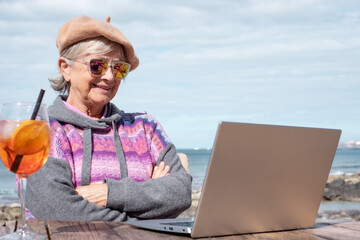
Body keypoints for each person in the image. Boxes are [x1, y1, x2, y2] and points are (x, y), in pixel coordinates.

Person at [26, 15, 192, 221]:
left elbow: (181, 193)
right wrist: (144, 212)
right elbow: (56, 209)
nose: (110, 77)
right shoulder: (43, 130)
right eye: (97, 65)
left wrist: (108, 193)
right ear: (65, 68)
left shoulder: (146, 127)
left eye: (119, 68)